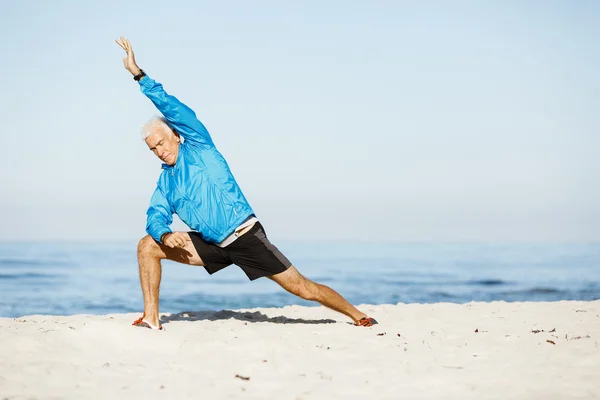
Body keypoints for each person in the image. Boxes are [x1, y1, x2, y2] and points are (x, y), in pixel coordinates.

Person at [116, 37, 377, 330]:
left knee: (302, 288)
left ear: (175, 135)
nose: (159, 151)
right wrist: (164, 234)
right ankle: (151, 317)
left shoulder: (200, 148)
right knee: (146, 246)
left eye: (161, 142)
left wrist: (139, 76)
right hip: (212, 245)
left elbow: (174, 109)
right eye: (153, 149)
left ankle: (358, 315)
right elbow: (155, 214)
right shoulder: (167, 181)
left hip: (245, 236)